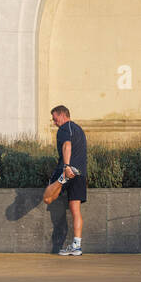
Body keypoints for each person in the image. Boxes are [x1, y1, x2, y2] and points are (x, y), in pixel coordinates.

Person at [49, 105, 88, 256]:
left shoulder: (65, 128)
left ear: (62, 115)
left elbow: (67, 145)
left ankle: (74, 246)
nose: (54, 122)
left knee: (48, 198)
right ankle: (76, 245)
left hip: (67, 172)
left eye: (55, 118)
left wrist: (66, 167)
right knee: (75, 211)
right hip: (80, 174)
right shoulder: (79, 129)